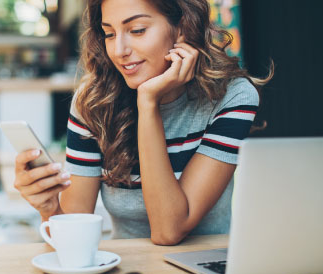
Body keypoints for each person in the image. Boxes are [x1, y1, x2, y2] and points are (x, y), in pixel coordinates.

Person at [14, 0, 272, 245]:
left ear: (182, 27)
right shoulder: (93, 101)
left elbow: (169, 230)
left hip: (205, 265)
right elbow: (71, 235)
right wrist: (49, 209)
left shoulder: (232, 96)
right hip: (129, 269)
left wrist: (148, 103)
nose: (119, 51)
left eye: (137, 30)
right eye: (110, 34)